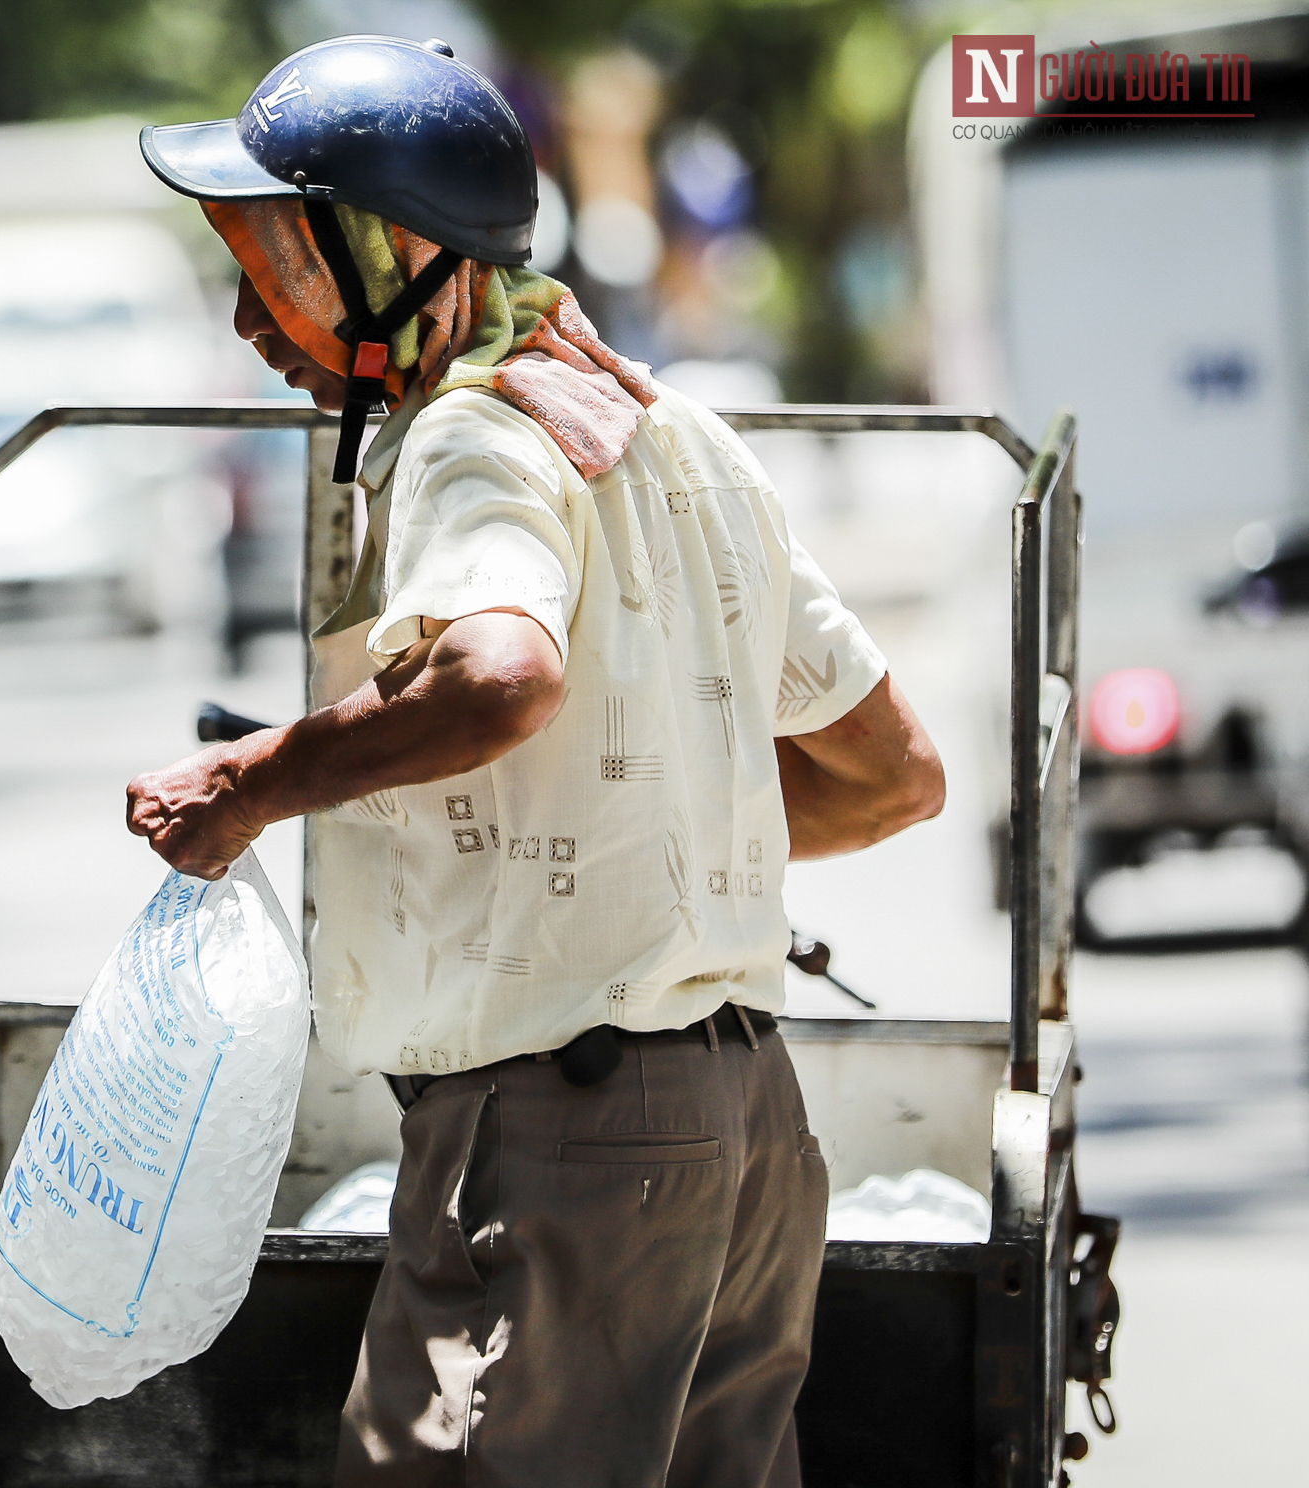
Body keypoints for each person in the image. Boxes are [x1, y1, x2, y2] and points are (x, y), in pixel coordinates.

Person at [128, 36, 944, 1488]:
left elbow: (505, 675)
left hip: (570, 1141)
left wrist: (251, 781)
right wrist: (683, 830)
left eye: (282, 268)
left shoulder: (468, 438)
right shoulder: (678, 433)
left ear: (398, 264)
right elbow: (893, 776)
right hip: (750, 1134)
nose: (256, 324)